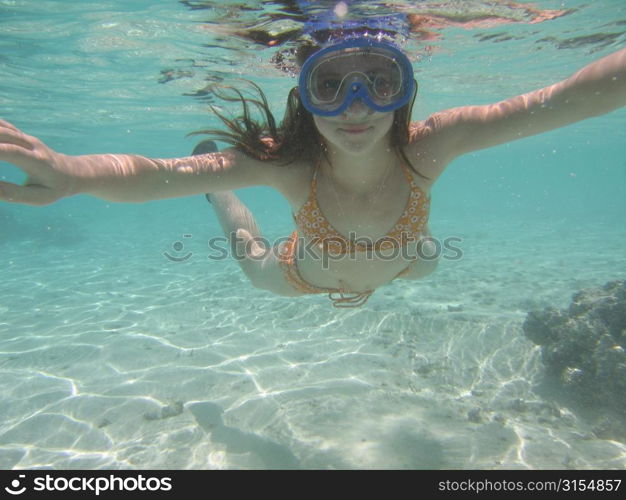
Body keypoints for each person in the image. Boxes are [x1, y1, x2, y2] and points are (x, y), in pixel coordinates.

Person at [0, 24, 624, 307]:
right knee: (249, 256)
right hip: (304, 275)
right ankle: (225, 201)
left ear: (403, 89)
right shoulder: (288, 165)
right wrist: (76, 173)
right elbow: (155, 175)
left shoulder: (431, 144)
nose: (357, 108)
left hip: (407, 261)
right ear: (303, 95)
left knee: (427, 261)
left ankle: (413, 237)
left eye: (378, 82)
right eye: (331, 85)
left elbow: (558, 101)